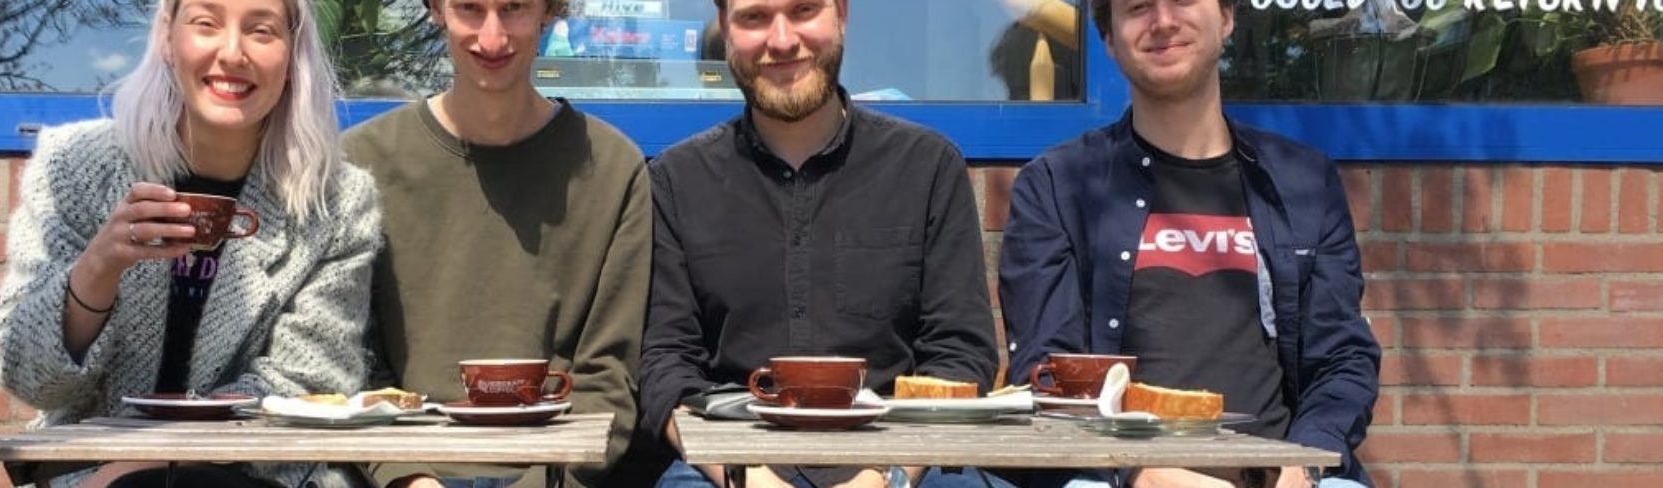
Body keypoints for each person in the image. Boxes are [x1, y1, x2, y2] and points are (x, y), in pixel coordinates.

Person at [0, 0, 379, 487]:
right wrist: (97, 269)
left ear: (293, 54)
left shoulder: (335, 202)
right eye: (206, 24)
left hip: (256, 469)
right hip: (89, 466)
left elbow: (309, 379)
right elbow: (28, 375)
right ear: (167, 38)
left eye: (261, 31)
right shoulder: (75, 165)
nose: (231, 53)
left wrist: (152, 461)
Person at [995, 0, 1382, 484]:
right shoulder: (1057, 186)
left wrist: (1306, 461)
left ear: (1227, 17)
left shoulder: (1303, 182)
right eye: (1138, 7)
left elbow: (1343, 357)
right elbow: (1047, 372)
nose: (1163, 21)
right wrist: (1137, 471)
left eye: (1182, 1)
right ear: (1109, 39)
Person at [637, 0, 999, 486]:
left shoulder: (927, 168)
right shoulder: (677, 181)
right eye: (754, 17)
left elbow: (960, 354)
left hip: (902, 457)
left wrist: (888, 474)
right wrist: (743, 476)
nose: (782, 40)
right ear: (725, 28)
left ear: (842, 14)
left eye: (804, 10)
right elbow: (664, 364)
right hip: (726, 461)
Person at [339, 0, 650, 486]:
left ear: (549, 10)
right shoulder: (362, 161)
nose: (492, 37)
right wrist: (407, 478)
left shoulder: (614, 170)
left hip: (554, 475)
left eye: (513, 8)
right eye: (470, 8)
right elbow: (353, 361)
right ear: (437, 9)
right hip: (402, 471)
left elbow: (608, 378)